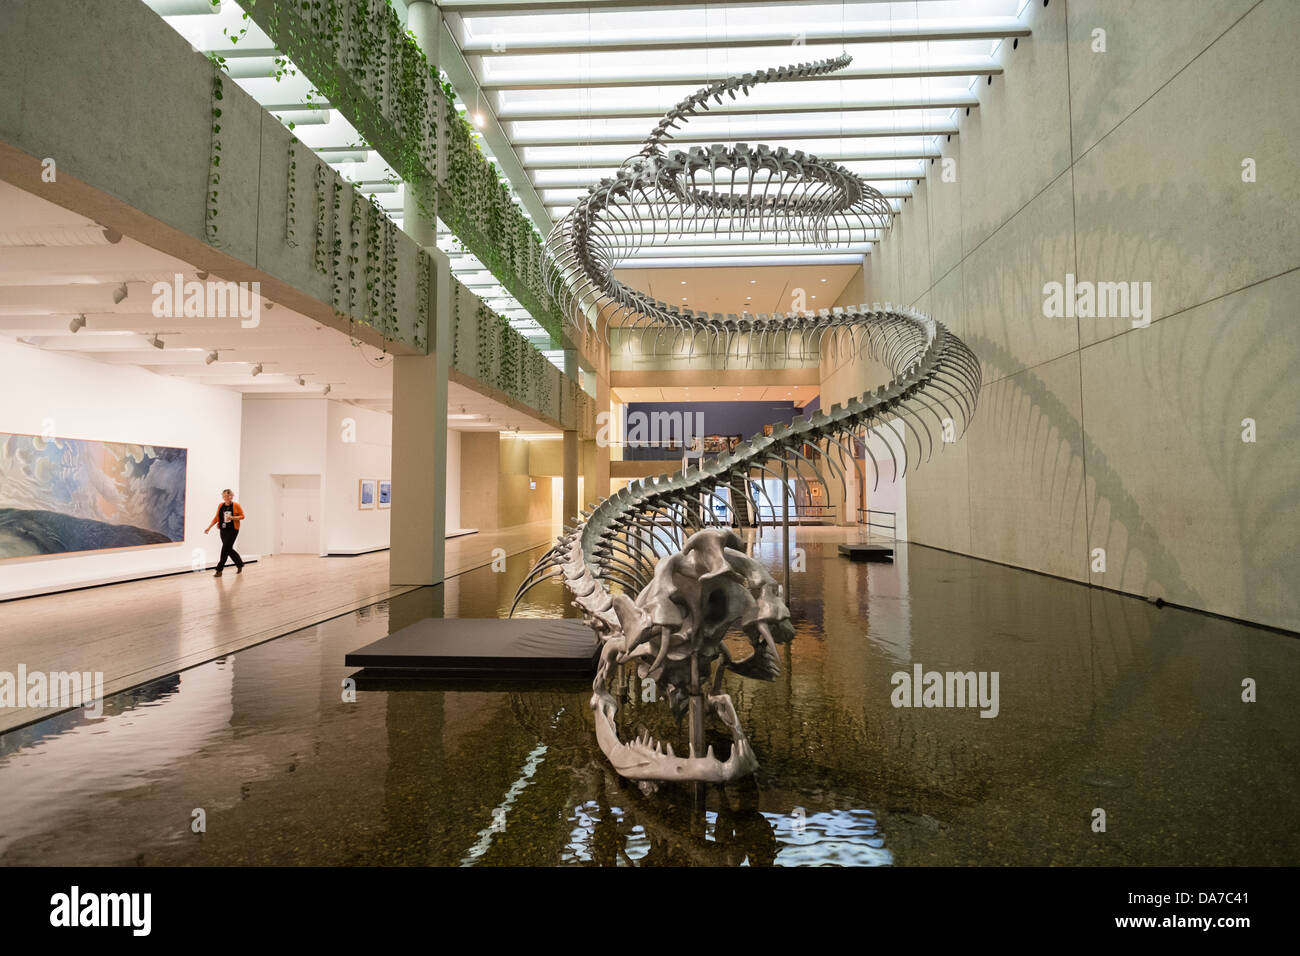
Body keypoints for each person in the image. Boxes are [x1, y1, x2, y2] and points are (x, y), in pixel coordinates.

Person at [204, 488, 246, 576]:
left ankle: (219, 570)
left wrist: (233, 518)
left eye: (228, 496)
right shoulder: (220, 505)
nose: (226, 497)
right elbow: (216, 517)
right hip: (223, 530)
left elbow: (242, 516)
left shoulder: (236, 505)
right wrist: (209, 527)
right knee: (228, 549)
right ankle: (239, 564)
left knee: (225, 549)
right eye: (224, 496)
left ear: (232, 496)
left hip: (233, 530)